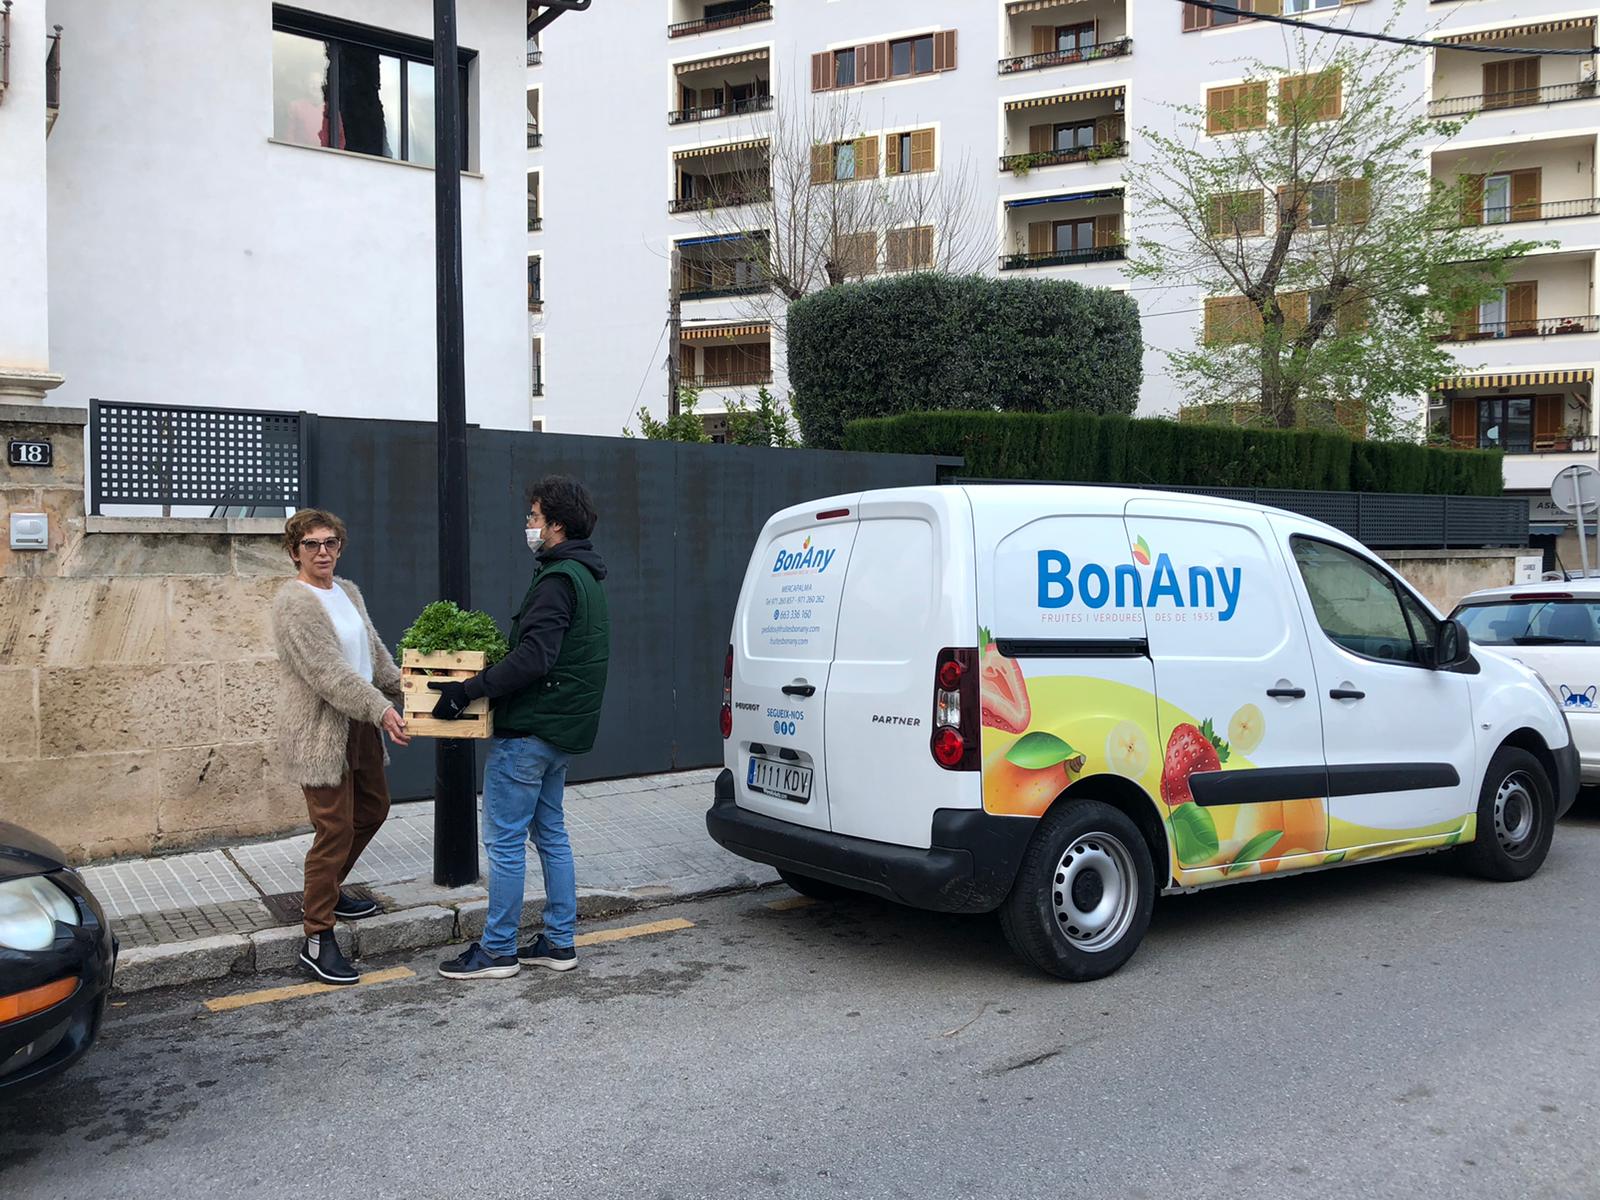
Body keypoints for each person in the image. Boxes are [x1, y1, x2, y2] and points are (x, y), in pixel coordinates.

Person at [430, 476, 610, 980]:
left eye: (533, 516)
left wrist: (467, 690)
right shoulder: (586, 576)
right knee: (551, 834)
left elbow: (534, 658)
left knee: (506, 842)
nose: (527, 525)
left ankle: (498, 949)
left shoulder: (557, 580)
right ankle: (559, 941)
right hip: (557, 732)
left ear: (555, 524)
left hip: (529, 731)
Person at [272, 510, 410, 985]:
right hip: (320, 730)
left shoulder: (348, 592)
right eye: (311, 544)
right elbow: (328, 675)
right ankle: (316, 937)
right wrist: (384, 710)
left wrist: (413, 692)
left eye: (330, 542)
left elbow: (374, 656)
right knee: (333, 828)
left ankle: (328, 891)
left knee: (373, 809)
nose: (323, 551)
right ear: (295, 551)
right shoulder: (294, 603)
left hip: (362, 725)